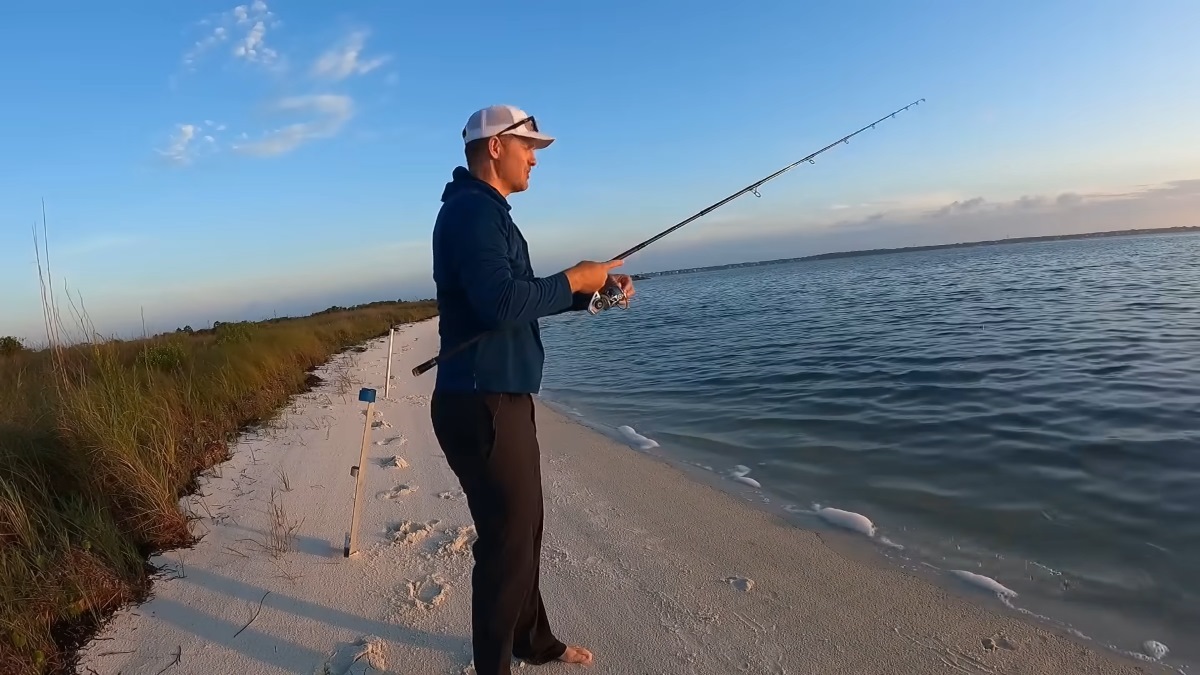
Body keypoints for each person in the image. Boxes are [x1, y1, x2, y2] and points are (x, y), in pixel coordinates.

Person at [428, 104, 634, 674]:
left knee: (525, 529)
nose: (535, 159)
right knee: (506, 547)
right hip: (482, 402)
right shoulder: (471, 213)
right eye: (529, 148)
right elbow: (500, 304)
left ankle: (532, 641)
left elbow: (519, 299)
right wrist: (575, 276)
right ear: (495, 147)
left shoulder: (487, 213)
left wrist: (594, 293)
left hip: (499, 396)